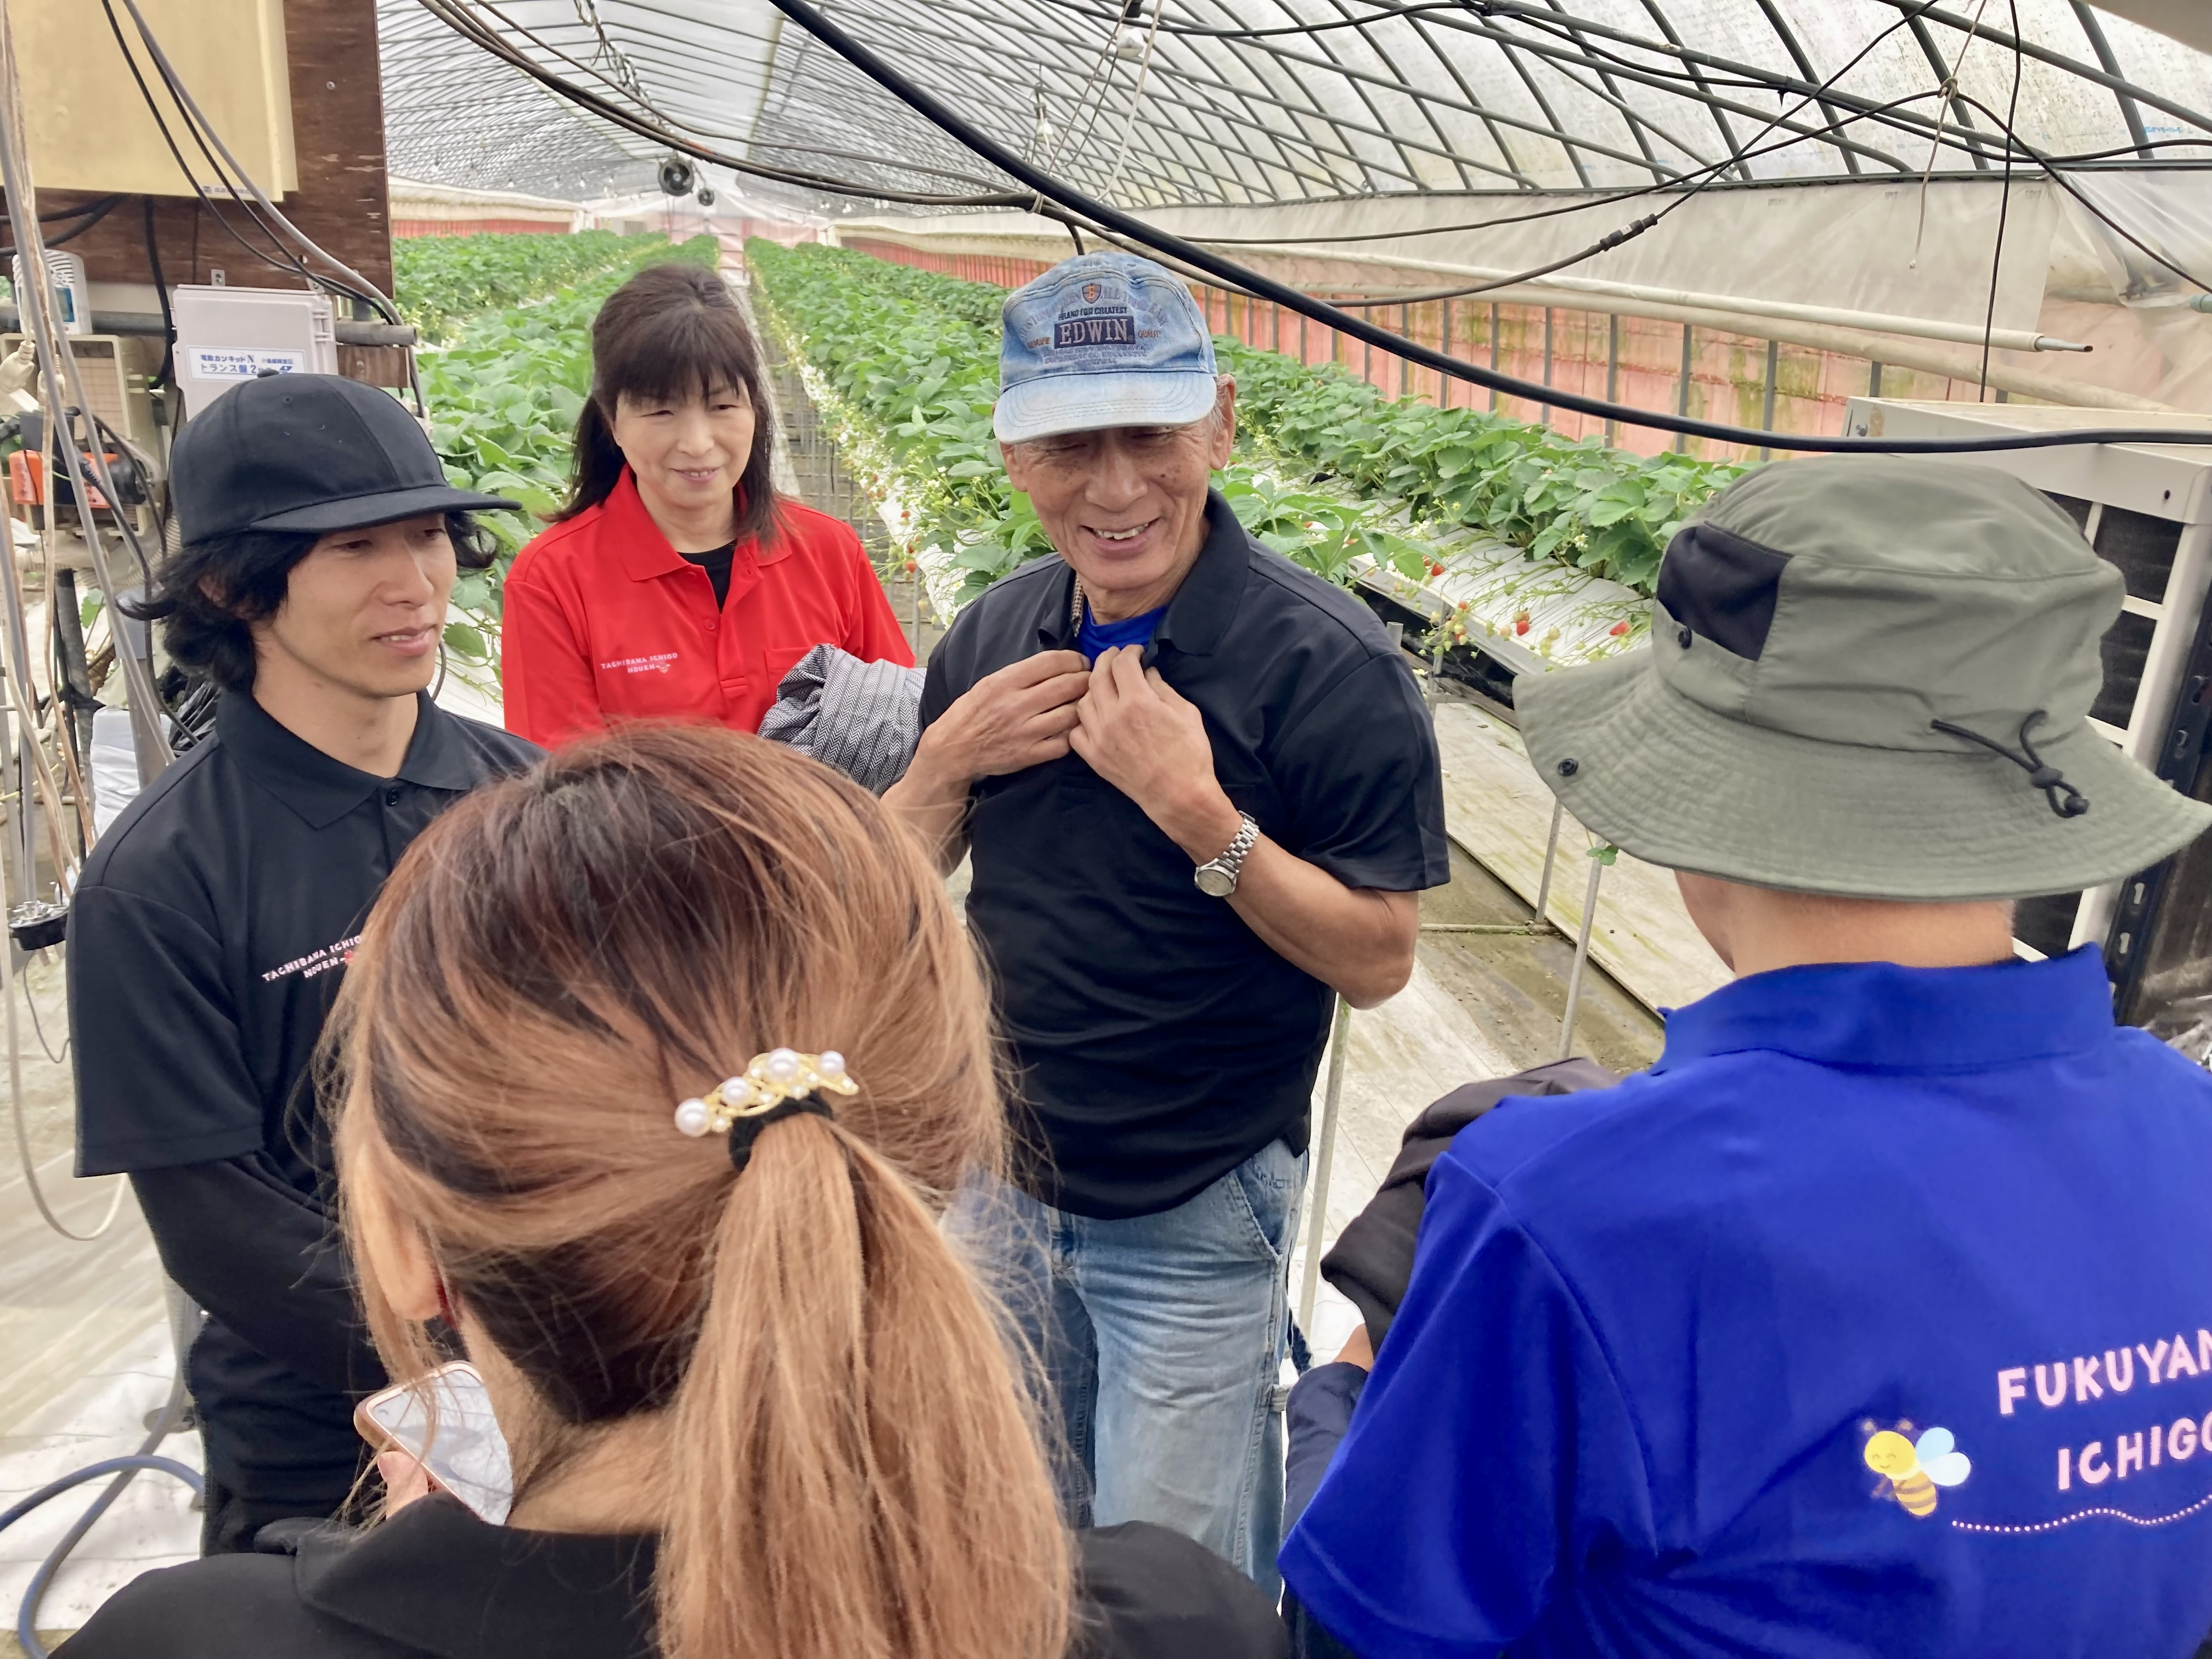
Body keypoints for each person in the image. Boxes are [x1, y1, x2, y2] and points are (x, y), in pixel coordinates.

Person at [65, 726, 1290, 1659]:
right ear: (935, 1152)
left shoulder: (184, 1641)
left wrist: (434, 1562)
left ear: (394, 1237)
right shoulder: (1184, 1621)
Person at [1279, 456, 2212, 1658]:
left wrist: (1346, 1390)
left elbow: (1361, 1630)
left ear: (1703, 800)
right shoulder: (2186, 1123)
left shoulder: (1574, 1206)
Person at [887, 251, 1449, 1587]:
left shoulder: (1328, 669)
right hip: (999, 1189)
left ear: (1221, 425)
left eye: (1151, 434)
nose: (1116, 487)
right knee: (1005, 1555)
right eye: (1071, 446)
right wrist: (941, 770)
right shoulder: (990, 640)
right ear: (1013, 455)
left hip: (1196, 1207)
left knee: (1171, 1585)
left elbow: (1379, 959)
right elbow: (887, 892)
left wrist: (1201, 816)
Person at [68, 371, 540, 1555]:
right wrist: (457, 1357)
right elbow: (214, 1219)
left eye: (427, 535)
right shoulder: (159, 878)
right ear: (233, 586)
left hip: (568, 1384)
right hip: (323, 1437)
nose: (414, 581)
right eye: (356, 547)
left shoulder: (529, 795)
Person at [499, 261, 911, 747]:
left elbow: (899, 724)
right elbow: (564, 778)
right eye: (661, 410)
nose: (697, 444)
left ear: (755, 408)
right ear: (612, 420)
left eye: (722, 406)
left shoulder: (827, 550)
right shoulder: (551, 580)